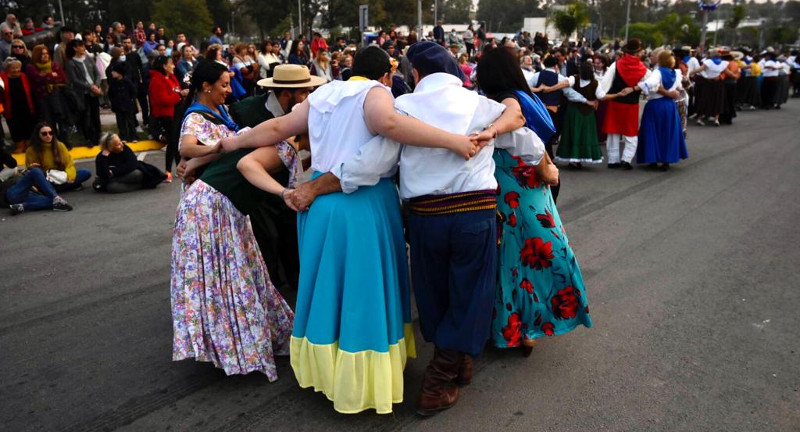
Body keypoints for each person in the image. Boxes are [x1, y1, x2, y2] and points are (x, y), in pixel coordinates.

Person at [218, 45, 484, 415]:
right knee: (363, 295)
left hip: (321, 208)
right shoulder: (375, 93)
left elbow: (278, 128)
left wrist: (229, 142)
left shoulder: (324, 92)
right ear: (386, 76)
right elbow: (388, 126)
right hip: (363, 204)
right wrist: (452, 140)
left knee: (327, 293)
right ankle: (361, 383)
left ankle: (328, 374)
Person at [171, 58, 295, 381]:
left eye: (229, 83)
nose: (229, 90)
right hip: (213, 203)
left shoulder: (227, 112)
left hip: (227, 201)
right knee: (225, 278)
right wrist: (214, 151)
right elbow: (187, 147)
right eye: (224, 85)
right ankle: (233, 348)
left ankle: (242, 341)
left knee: (238, 274)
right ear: (205, 87)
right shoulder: (197, 117)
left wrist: (214, 154)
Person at [473, 47, 592, 361]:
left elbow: (523, 135)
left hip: (512, 186)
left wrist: (545, 168)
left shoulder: (504, 102)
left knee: (510, 258)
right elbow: (538, 142)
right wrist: (549, 170)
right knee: (538, 254)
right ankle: (527, 329)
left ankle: (513, 329)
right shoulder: (528, 96)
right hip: (533, 189)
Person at [228, 64, 325, 293]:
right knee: (267, 240)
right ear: (284, 94)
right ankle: (269, 293)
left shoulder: (307, 112)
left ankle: (296, 288)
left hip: (289, 184)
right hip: (254, 188)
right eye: (304, 92)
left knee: (292, 236)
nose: (308, 97)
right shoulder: (243, 111)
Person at [598, 38, 650, 170]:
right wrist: (636, 88)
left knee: (613, 132)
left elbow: (605, 83)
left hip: (615, 103)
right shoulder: (643, 69)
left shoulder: (616, 65)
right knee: (631, 133)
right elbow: (650, 85)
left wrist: (601, 95)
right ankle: (626, 159)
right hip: (632, 105)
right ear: (638, 53)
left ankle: (613, 160)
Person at [636, 50, 688, 171]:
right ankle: (666, 160)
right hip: (669, 106)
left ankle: (652, 159)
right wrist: (672, 92)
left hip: (655, 105)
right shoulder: (676, 73)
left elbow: (650, 84)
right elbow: (680, 87)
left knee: (652, 131)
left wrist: (637, 87)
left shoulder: (657, 72)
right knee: (667, 132)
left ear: (660, 60)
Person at [556, 61, 612, 168]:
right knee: (584, 135)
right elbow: (601, 96)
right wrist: (618, 95)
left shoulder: (574, 79)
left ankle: (573, 159)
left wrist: (550, 88)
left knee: (573, 134)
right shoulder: (595, 83)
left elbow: (564, 84)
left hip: (573, 111)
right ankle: (578, 159)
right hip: (587, 113)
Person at [2, 146, 73, 215]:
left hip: (27, 195)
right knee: (35, 171)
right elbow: (15, 174)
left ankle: (23, 206)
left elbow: (13, 163)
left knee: (54, 202)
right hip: (11, 193)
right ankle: (56, 197)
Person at [149, 55, 187, 181]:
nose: (174, 66)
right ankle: (168, 171)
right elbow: (163, 100)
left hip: (177, 113)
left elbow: (177, 91)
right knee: (172, 142)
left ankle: (178, 168)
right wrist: (179, 95)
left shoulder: (172, 77)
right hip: (166, 116)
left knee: (176, 141)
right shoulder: (157, 80)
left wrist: (180, 94)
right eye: (171, 64)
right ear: (164, 66)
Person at [26, 45, 70, 148]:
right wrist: (51, 76)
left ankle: (65, 141)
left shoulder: (54, 65)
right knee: (49, 121)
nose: (45, 56)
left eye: (46, 54)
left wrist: (46, 77)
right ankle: (52, 142)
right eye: (42, 54)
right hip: (42, 98)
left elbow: (62, 78)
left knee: (61, 119)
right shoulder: (31, 67)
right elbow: (37, 79)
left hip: (56, 97)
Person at [26, 122, 91, 192]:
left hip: (62, 176)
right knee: (33, 182)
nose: (48, 136)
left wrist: (70, 176)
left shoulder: (60, 145)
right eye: (44, 134)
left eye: (50, 133)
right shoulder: (31, 150)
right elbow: (31, 170)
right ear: (38, 135)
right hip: (46, 178)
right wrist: (33, 167)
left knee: (86, 173)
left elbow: (69, 164)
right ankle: (65, 187)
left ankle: (54, 189)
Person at [93, 133, 165, 193]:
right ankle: (141, 186)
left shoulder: (125, 149)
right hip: (120, 178)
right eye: (117, 144)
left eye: (120, 141)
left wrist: (113, 172)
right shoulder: (102, 157)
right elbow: (102, 173)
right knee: (112, 187)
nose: (121, 144)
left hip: (130, 175)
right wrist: (104, 158)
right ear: (110, 148)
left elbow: (132, 164)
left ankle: (106, 182)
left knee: (137, 173)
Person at [65, 39, 103, 147]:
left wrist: (96, 85)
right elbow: (75, 80)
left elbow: (97, 73)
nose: (83, 48)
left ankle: (99, 136)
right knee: (86, 116)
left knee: (96, 115)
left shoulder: (89, 59)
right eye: (80, 46)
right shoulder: (71, 63)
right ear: (75, 48)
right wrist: (90, 87)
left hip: (94, 92)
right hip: (82, 93)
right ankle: (89, 137)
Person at [1, 57, 37, 153]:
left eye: (18, 67)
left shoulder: (24, 76)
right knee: (15, 127)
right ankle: (19, 146)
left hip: (26, 106)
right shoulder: (2, 77)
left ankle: (29, 146)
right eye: (13, 68)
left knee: (28, 126)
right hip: (11, 107)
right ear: (7, 68)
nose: (16, 70)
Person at [690, 49, 728, 126]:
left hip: (708, 83)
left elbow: (700, 69)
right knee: (718, 100)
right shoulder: (723, 63)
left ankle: (700, 118)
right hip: (718, 84)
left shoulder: (708, 62)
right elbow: (727, 72)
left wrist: (691, 72)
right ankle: (716, 119)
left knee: (705, 99)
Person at [106, 62, 138, 142]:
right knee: (120, 122)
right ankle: (123, 136)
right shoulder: (113, 83)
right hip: (118, 105)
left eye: (114, 71)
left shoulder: (127, 81)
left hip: (127, 104)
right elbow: (110, 93)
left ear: (120, 73)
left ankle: (133, 136)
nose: (112, 73)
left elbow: (133, 91)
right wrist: (112, 101)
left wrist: (131, 100)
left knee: (130, 121)